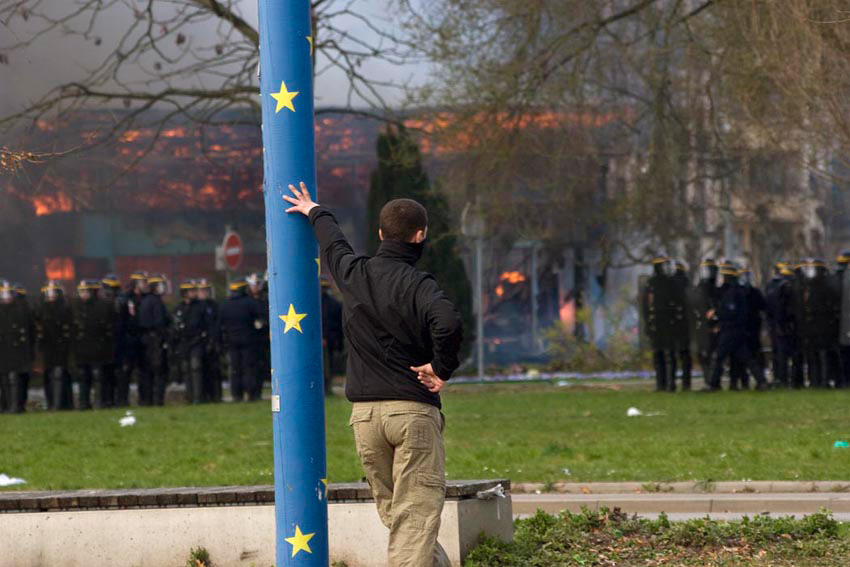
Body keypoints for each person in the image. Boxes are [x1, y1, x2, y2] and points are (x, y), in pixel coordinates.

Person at [284, 182, 463, 567]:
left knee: (401, 516)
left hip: (364, 417)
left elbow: (334, 244)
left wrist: (315, 210)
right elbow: (447, 322)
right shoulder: (420, 285)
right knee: (414, 516)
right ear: (420, 236)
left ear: (380, 234)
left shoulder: (353, 273)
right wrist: (441, 367)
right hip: (411, 411)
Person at [705, 266, 768, 391]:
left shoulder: (732, 293)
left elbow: (730, 312)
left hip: (730, 330)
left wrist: (716, 313)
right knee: (747, 358)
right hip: (737, 330)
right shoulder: (738, 291)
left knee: (720, 357)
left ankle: (713, 384)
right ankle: (761, 381)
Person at [72, 279, 116, 410]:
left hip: (99, 347)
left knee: (99, 376)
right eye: (81, 291)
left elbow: (110, 326)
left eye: (86, 291)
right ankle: (83, 403)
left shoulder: (104, 306)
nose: (83, 294)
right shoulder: (75, 306)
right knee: (83, 377)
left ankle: (100, 401)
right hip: (81, 348)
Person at [219, 278, 265, 402]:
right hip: (249, 341)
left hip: (231, 341)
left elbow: (219, 325)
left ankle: (236, 394)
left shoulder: (225, 305)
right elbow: (262, 317)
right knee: (249, 368)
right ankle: (251, 393)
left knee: (235, 369)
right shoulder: (251, 303)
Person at [37, 281, 74, 409]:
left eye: (54, 292)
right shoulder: (41, 309)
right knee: (49, 375)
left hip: (61, 347)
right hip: (47, 347)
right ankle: (51, 402)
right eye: (49, 292)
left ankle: (60, 404)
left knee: (60, 374)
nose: (51, 295)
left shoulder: (65, 309)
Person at [641, 256, 677, 392]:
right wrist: (648, 324)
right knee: (659, 354)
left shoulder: (669, 283)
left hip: (667, 322)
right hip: (657, 323)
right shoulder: (652, 284)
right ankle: (661, 384)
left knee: (668, 354)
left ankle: (670, 384)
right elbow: (646, 306)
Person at [172, 279, 209, 404]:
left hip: (197, 341)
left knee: (196, 366)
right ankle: (189, 396)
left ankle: (198, 397)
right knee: (186, 369)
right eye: (191, 290)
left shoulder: (200, 307)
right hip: (183, 342)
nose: (194, 293)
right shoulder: (179, 308)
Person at [0, 279, 34, 413]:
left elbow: (30, 332)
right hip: (3, 349)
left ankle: (16, 406)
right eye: (3, 295)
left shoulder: (21, 311)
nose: (6, 297)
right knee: (4, 379)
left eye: (8, 294)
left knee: (15, 378)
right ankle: (6, 405)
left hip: (17, 350)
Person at [138, 273, 170, 405]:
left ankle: (147, 400)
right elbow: (160, 322)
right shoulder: (156, 302)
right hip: (156, 340)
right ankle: (158, 400)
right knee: (159, 372)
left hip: (145, 340)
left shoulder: (144, 301)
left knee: (147, 373)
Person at [117, 271, 148, 406]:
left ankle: (144, 399)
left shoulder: (146, 298)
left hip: (143, 338)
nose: (145, 285)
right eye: (142, 282)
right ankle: (123, 400)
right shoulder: (125, 299)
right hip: (129, 339)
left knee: (144, 371)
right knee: (126, 371)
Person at [765, 263, 796, 388]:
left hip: (776, 325)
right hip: (783, 325)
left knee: (778, 354)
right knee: (785, 355)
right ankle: (785, 379)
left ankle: (780, 378)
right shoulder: (785, 288)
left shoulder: (773, 287)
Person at [692, 258, 719, 384]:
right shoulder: (699, 288)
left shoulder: (717, 289)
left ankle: (713, 380)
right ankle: (708, 378)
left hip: (715, 325)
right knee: (703, 354)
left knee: (714, 353)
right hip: (702, 325)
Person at [197, 278, 223, 402]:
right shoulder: (195, 306)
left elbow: (217, 324)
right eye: (202, 290)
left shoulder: (214, 305)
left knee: (214, 371)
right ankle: (203, 396)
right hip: (199, 342)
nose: (204, 293)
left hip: (212, 341)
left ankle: (216, 396)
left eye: (206, 290)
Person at [246, 272, 270, 400]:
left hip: (263, 337)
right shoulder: (247, 301)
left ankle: (259, 391)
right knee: (251, 367)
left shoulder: (264, 299)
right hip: (250, 338)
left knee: (262, 366)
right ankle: (252, 392)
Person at [669, 260, 692, 391]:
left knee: (672, 356)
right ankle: (686, 383)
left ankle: (671, 383)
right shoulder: (686, 283)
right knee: (685, 355)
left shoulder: (670, 283)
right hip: (685, 324)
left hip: (672, 325)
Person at [320, 276, 344, 395]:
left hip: (329, 339)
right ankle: (325, 387)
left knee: (328, 365)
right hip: (330, 339)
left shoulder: (332, 304)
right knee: (327, 365)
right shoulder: (334, 304)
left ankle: (326, 387)